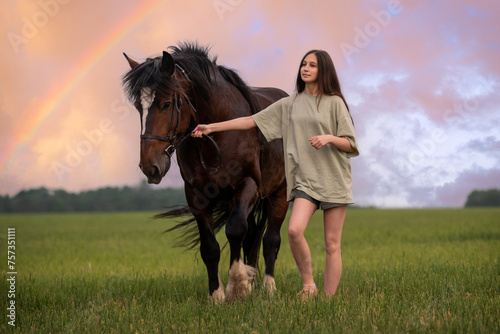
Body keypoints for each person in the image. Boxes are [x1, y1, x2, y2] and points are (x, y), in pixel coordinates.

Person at [191, 49, 359, 298]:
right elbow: (251, 121)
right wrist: (211, 127)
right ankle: (308, 286)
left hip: (334, 179)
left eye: (312, 65)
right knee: (293, 231)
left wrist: (330, 138)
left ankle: (327, 299)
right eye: (304, 64)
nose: (305, 68)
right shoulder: (290, 104)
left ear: (323, 71)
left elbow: (351, 144)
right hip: (305, 182)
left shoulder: (335, 103)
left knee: (332, 244)